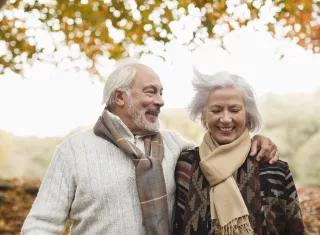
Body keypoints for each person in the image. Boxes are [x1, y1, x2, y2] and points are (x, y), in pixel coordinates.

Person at [21, 59, 279, 235]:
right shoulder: (75, 151)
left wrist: (253, 140)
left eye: (161, 92)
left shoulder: (175, 145)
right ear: (120, 97)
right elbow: (41, 224)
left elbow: (220, 154)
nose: (161, 101)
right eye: (150, 92)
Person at [174, 70, 307, 235]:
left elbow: (295, 230)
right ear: (204, 115)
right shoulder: (186, 164)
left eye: (234, 110)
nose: (225, 119)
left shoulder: (274, 168)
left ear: (248, 115)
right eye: (216, 110)